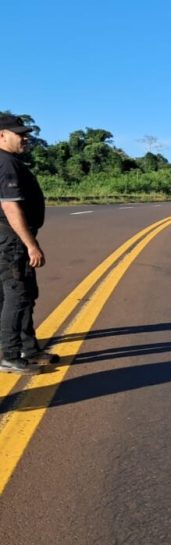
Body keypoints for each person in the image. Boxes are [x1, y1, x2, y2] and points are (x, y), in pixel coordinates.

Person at [0, 113, 57, 374]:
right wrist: (31, 244)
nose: (26, 138)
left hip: (10, 238)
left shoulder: (10, 161)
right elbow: (10, 206)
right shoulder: (6, 163)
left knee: (22, 294)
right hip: (11, 240)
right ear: (2, 135)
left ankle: (28, 348)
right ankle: (9, 354)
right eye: (19, 134)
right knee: (18, 295)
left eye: (26, 133)